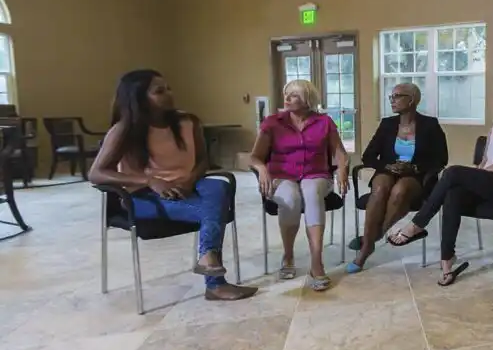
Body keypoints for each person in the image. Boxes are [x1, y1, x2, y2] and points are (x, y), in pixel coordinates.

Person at [88, 69, 258, 301]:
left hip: (189, 188)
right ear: (138, 98)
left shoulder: (189, 122)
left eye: (168, 88)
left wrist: (190, 179)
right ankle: (215, 282)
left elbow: (202, 161)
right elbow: (96, 173)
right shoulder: (123, 130)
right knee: (213, 212)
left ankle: (208, 258)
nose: (169, 94)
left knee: (219, 186)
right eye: (159, 91)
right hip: (144, 197)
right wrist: (150, 180)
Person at [389, 81, 493, 286]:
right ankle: (447, 262)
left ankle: (417, 224)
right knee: (453, 193)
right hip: (489, 181)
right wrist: (477, 173)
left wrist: (477, 174)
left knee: (453, 173)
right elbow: (485, 160)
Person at [250, 79, 349, 291]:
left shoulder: (324, 122)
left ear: (307, 100)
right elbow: (255, 157)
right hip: (281, 176)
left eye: (294, 95)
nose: (287, 98)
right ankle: (288, 255)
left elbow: (339, 151)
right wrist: (262, 169)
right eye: (287, 94)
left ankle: (316, 261)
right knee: (292, 197)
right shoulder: (272, 122)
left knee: (311, 191)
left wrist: (342, 169)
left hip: (317, 175)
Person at [348, 82, 448, 273]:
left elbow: (441, 159)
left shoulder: (430, 125)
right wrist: (387, 166)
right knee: (379, 189)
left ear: (411, 100)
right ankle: (369, 245)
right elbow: (368, 156)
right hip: (387, 171)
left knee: (400, 191)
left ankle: (372, 239)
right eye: (391, 97)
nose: (392, 101)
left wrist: (415, 166)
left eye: (397, 96)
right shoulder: (387, 124)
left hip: (416, 175)